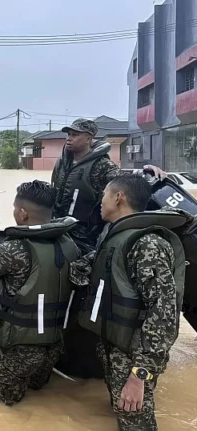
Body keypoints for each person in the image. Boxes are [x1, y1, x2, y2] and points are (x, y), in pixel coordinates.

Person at [70, 174, 192, 431]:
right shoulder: (116, 237)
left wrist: (140, 376)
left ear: (118, 197)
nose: (100, 201)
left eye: (104, 194)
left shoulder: (147, 244)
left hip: (133, 359)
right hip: (115, 348)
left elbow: (164, 312)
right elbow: (94, 269)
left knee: (136, 424)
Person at [52, 118, 165, 378]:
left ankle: (80, 346)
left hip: (82, 238)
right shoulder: (63, 162)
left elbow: (121, 188)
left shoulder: (101, 166)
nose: (70, 138)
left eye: (76, 134)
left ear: (90, 138)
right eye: (68, 133)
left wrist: (143, 171)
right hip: (58, 230)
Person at [0, 180, 81, 406]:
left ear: (23, 214)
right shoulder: (69, 243)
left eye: (15, 208)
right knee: (37, 403)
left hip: (16, 349)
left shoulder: (14, 248)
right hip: (53, 346)